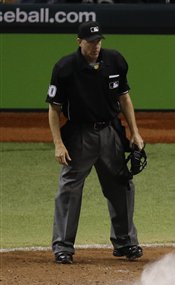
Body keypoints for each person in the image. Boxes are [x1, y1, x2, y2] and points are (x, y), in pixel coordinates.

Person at [46, 21, 144, 264]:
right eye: (91, 42)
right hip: (80, 135)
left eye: (99, 41)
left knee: (121, 186)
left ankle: (125, 242)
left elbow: (124, 98)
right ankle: (63, 247)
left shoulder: (115, 61)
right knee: (69, 189)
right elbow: (54, 108)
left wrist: (135, 132)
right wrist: (58, 143)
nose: (96, 46)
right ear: (79, 41)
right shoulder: (65, 68)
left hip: (111, 132)